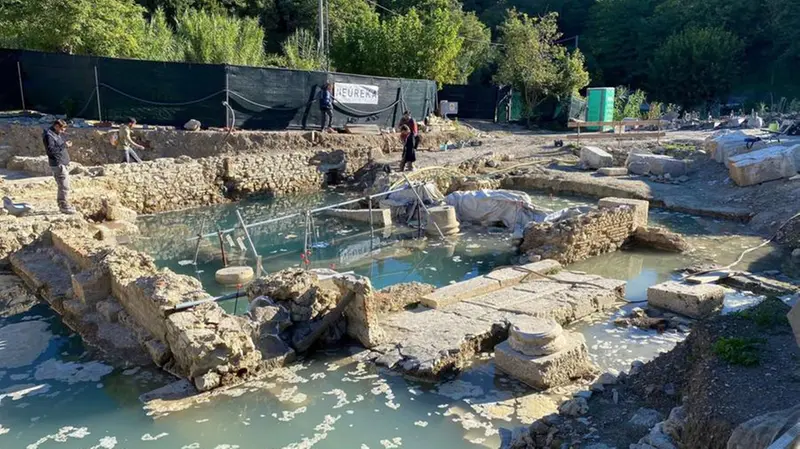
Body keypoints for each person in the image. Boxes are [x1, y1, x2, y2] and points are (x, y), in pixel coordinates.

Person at [42, 119, 76, 214]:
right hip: (58, 164)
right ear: (56, 126)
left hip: (61, 163)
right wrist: (64, 145)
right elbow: (51, 151)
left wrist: (64, 145)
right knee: (64, 185)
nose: (63, 131)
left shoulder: (55, 134)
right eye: (61, 129)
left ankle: (63, 204)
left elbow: (58, 146)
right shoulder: (49, 136)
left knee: (64, 185)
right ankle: (63, 205)